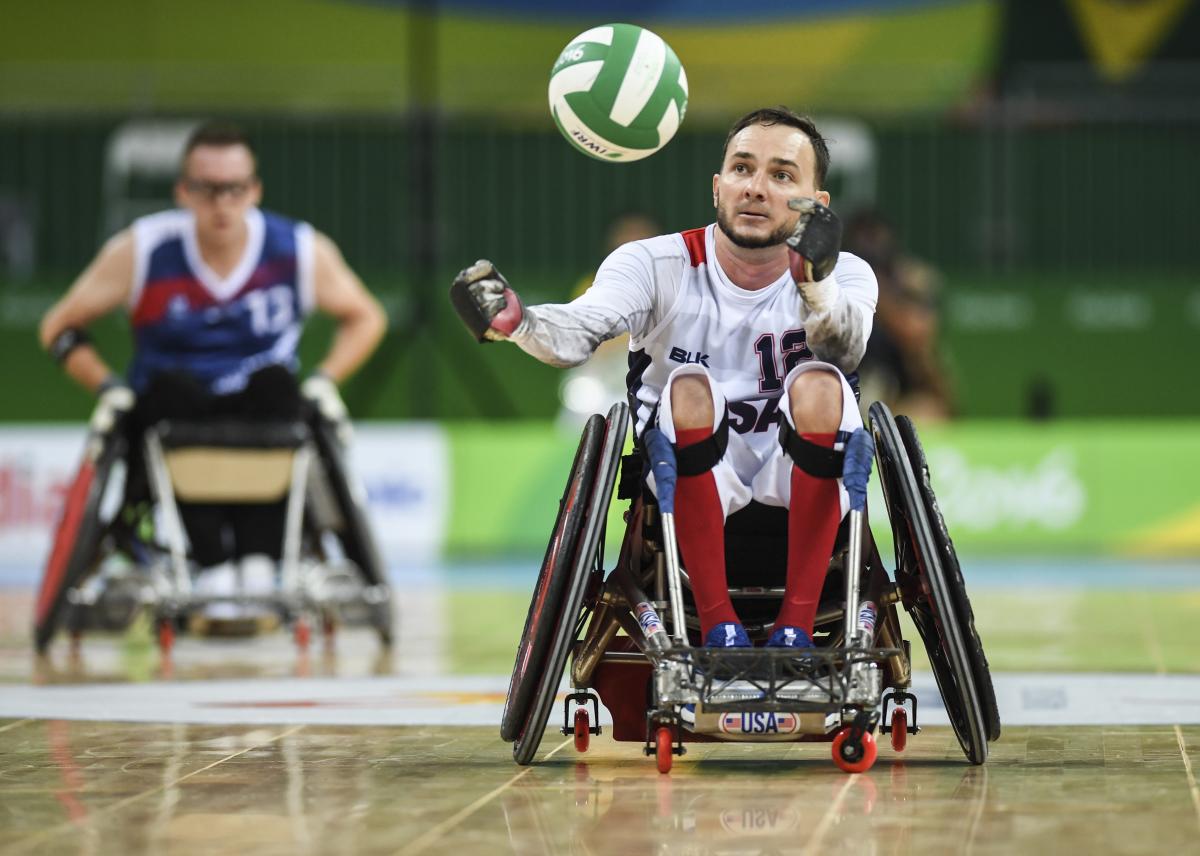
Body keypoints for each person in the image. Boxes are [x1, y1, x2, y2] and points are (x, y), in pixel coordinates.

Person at [451, 106, 878, 650]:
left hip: (800, 467)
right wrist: (520, 322)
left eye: (782, 175)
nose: (756, 188)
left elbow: (845, 350)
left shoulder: (849, 274)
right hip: (685, 466)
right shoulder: (654, 264)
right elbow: (580, 332)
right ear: (717, 187)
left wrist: (815, 283)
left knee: (821, 384)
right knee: (689, 386)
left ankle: (793, 629)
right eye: (743, 169)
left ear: (818, 206)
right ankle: (719, 624)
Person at [39, 121, 387, 605]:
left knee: (281, 387)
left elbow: (366, 316)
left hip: (264, 406)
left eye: (234, 189)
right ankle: (212, 562)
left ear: (254, 191)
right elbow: (58, 326)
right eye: (207, 190)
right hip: (176, 409)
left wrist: (327, 379)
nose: (222, 203)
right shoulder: (141, 250)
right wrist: (108, 388)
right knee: (167, 391)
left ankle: (260, 560)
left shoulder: (299, 249)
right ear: (183, 192)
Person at [844, 208, 955, 423]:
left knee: (926, 412)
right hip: (840, 392)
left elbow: (916, 332)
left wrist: (884, 296)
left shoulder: (909, 280)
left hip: (894, 394)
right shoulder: (833, 282)